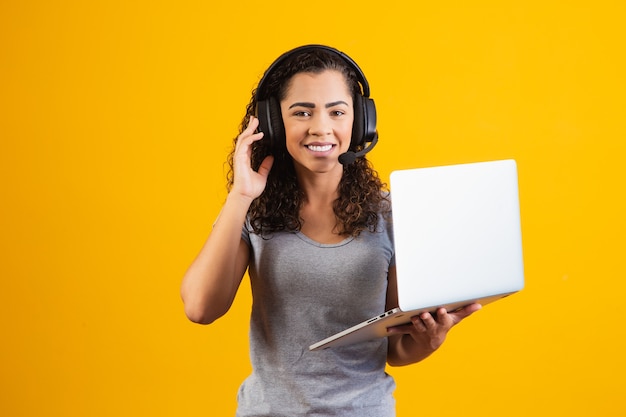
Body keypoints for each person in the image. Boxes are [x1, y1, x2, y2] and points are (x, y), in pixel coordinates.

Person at [180, 45, 481, 417]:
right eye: (302, 112)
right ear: (274, 123)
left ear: (360, 122)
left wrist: (430, 339)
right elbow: (200, 308)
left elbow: (398, 349)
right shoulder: (251, 210)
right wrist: (240, 195)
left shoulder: (391, 215)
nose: (320, 127)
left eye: (337, 112)